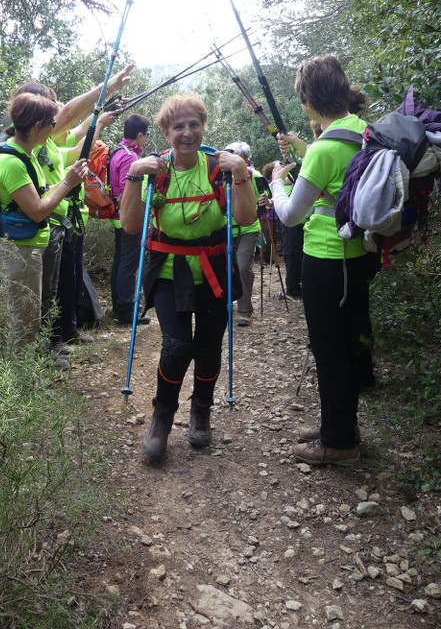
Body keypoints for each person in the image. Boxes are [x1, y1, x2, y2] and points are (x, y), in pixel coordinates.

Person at [121, 94, 256, 459]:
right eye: (178, 126)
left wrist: (242, 173)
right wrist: (134, 175)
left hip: (213, 267)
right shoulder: (155, 170)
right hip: (168, 270)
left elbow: (245, 219)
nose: (187, 132)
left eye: (193, 124)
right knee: (178, 345)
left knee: (209, 347)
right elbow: (131, 224)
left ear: (203, 127)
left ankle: (201, 412)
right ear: (165, 132)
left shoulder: (219, 166)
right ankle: (162, 418)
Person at [267, 55, 373, 467]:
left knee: (329, 348)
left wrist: (277, 182)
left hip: (328, 259)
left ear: (309, 102)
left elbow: (292, 214)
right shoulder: (362, 132)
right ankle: (340, 424)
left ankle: (339, 443)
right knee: (346, 343)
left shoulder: (323, 149)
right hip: (357, 258)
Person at [0, 92, 89, 349]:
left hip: (30, 247)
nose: (56, 128)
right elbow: (36, 210)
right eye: (52, 123)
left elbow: (40, 194)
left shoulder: (28, 154)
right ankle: (21, 384)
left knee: (30, 317)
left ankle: (29, 375)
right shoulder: (11, 161)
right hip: (19, 252)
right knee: (21, 323)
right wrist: (68, 182)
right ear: (38, 126)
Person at [109, 113, 151, 325]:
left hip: (117, 217)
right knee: (128, 264)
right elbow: (128, 191)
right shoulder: (130, 157)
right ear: (140, 134)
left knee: (121, 261)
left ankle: (120, 306)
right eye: (146, 135)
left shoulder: (118, 151)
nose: (146, 139)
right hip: (127, 218)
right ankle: (126, 311)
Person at [224, 141, 261, 326]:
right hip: (226, 228)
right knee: (224, 267)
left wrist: (265, 201)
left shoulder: (255, 175)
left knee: (243, 266)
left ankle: (244, 310)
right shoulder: (221, 175)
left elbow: (265, 197)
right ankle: (224, 304)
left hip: (248, 228)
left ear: (245, 158)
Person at [262, 161, 304, 300]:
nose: (282, 166)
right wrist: (269, 203)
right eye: (278, 165)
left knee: (302, 252)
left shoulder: (293, 179)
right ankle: (293, 288)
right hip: (288, 220)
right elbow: (276, 200)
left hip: (304, 218)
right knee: (292, 252)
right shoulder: (277, 183)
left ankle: (302, 284)